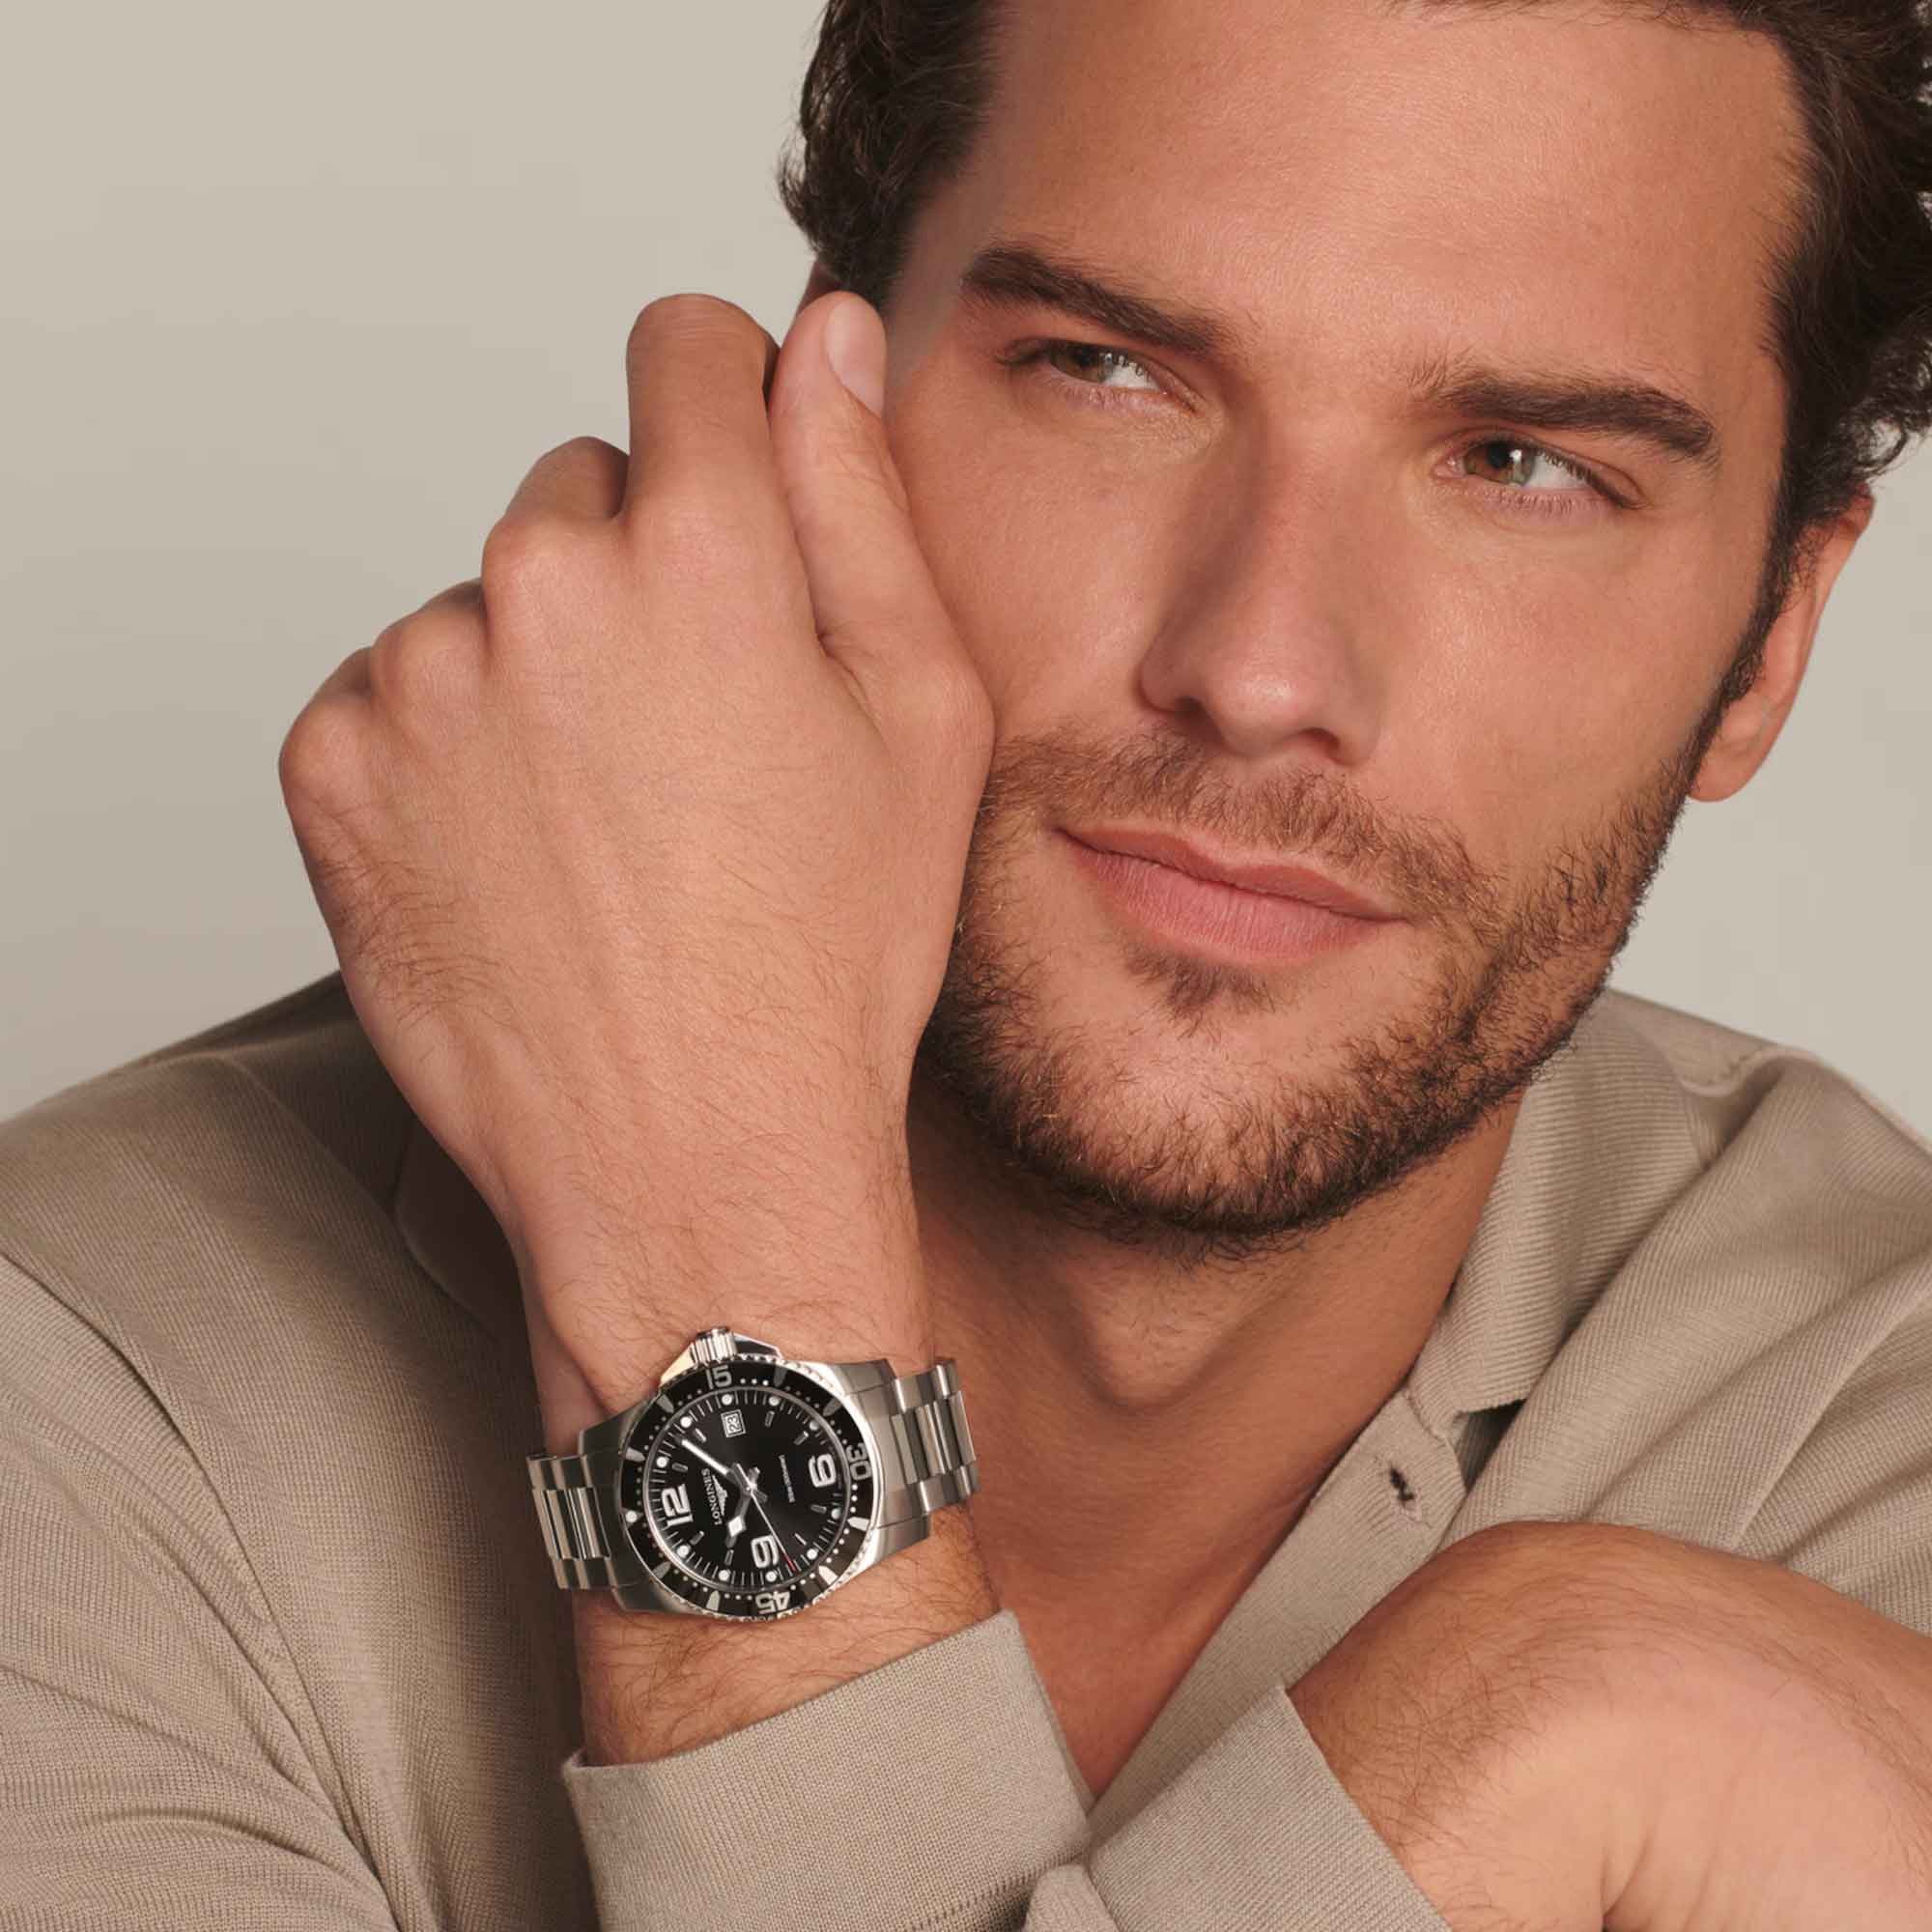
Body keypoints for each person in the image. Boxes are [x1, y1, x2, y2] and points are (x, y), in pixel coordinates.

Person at [6, 0, 1932, 1925]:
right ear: (810, 435)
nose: (1261, 669)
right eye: (1108, 370)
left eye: (1522, 462)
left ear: (1771, 637)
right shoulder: (83, 1417)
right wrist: (721, 1290)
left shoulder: (1868, 1448)